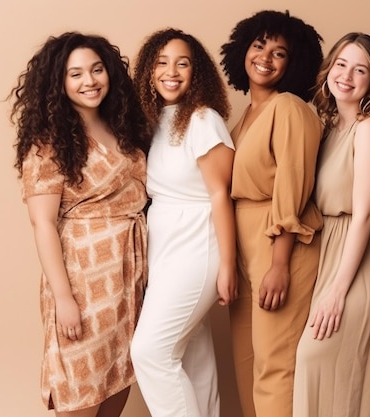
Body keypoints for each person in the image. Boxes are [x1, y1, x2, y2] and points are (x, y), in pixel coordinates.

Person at [9, 32, 150, 417]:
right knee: (80, 388)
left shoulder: (125, 128)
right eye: (76, 74)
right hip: (84, 279)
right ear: (59, 82)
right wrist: (64, 298)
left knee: (118, 379)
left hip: (129, 276)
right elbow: (43, 224)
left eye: (97, 70)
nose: (89, 81)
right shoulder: (48, 143)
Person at [219, 10, 324, 417]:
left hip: (279, 242)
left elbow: (291, 188)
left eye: (280, 52)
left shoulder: (291, 109)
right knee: (246, 362)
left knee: (275, 365)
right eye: (259, 45)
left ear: (293, 64)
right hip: (246, 245)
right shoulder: (244, 116)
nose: (266, 56)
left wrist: (279, 263)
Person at [129, 28, 237, 417]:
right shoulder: (154, 121)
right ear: (148, 71)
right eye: (161, 62)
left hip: (197, 246)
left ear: (198, 72)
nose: (171, 71)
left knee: (150, 351)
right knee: (194, 357)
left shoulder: (203, 119)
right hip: (166, 248)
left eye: (183, 63)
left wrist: (227, 265)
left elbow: (221, 195)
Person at [292, 32, 370, 417]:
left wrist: (337, 290)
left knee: (320, 358)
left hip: (357, 253)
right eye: (341, 64)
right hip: (326, 248)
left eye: (360, 69)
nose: (347, 75)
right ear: (329, 69)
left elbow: (365, 213)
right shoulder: (325, 125)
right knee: (315, 365)